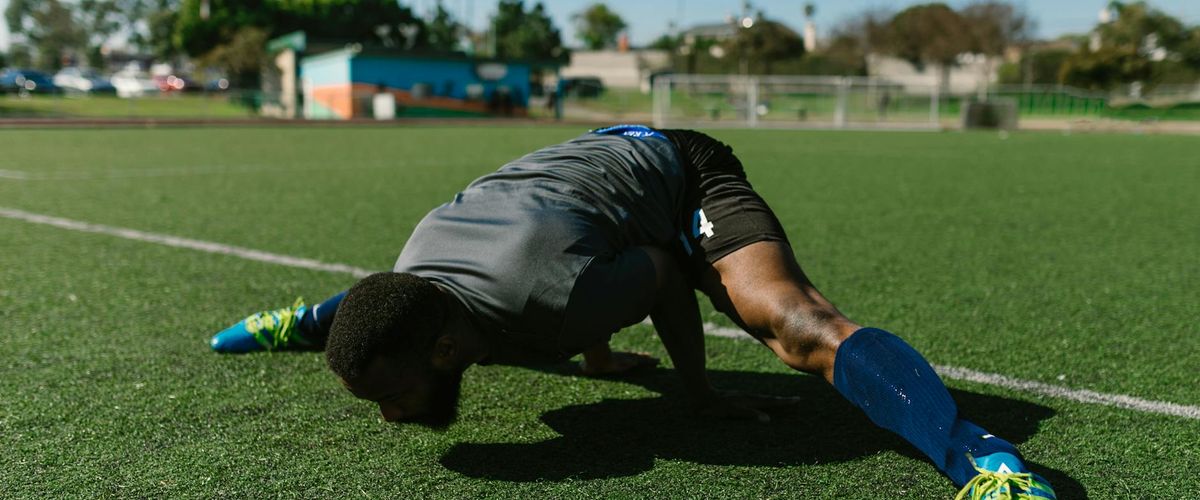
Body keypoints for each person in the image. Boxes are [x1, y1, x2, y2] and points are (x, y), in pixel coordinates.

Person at [210, 125, 1054, 499]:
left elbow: (660, 274)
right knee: (401, 307)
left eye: (390, 395)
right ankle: (300, 319)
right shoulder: (415, 279)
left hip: (676, 171)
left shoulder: (547, 302)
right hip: (568, 196)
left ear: (442, 353)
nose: (391, 416)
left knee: (795, 327)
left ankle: (987, 465)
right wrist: (602, 354)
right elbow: (391, 302)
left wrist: (697, 393)